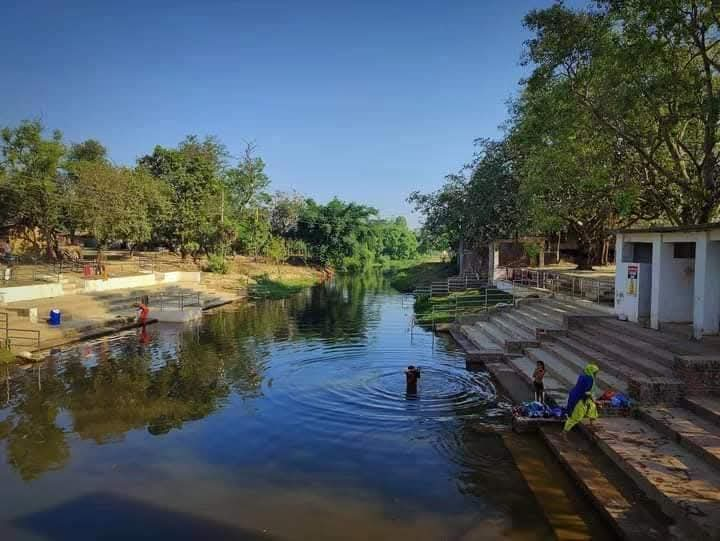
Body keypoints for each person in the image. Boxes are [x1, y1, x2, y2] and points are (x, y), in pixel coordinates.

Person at [563, 363, 600, 437]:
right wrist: (594, 400)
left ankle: (592, 424)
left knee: (592, 407)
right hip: (579, 398)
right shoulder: (589, 379)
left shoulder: (583, 376)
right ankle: (564, 432)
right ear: (591, 371)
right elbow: (587, 392)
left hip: (577, 395)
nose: (596, 374)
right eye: (595, 372)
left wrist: (593, 401)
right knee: (576, 417)